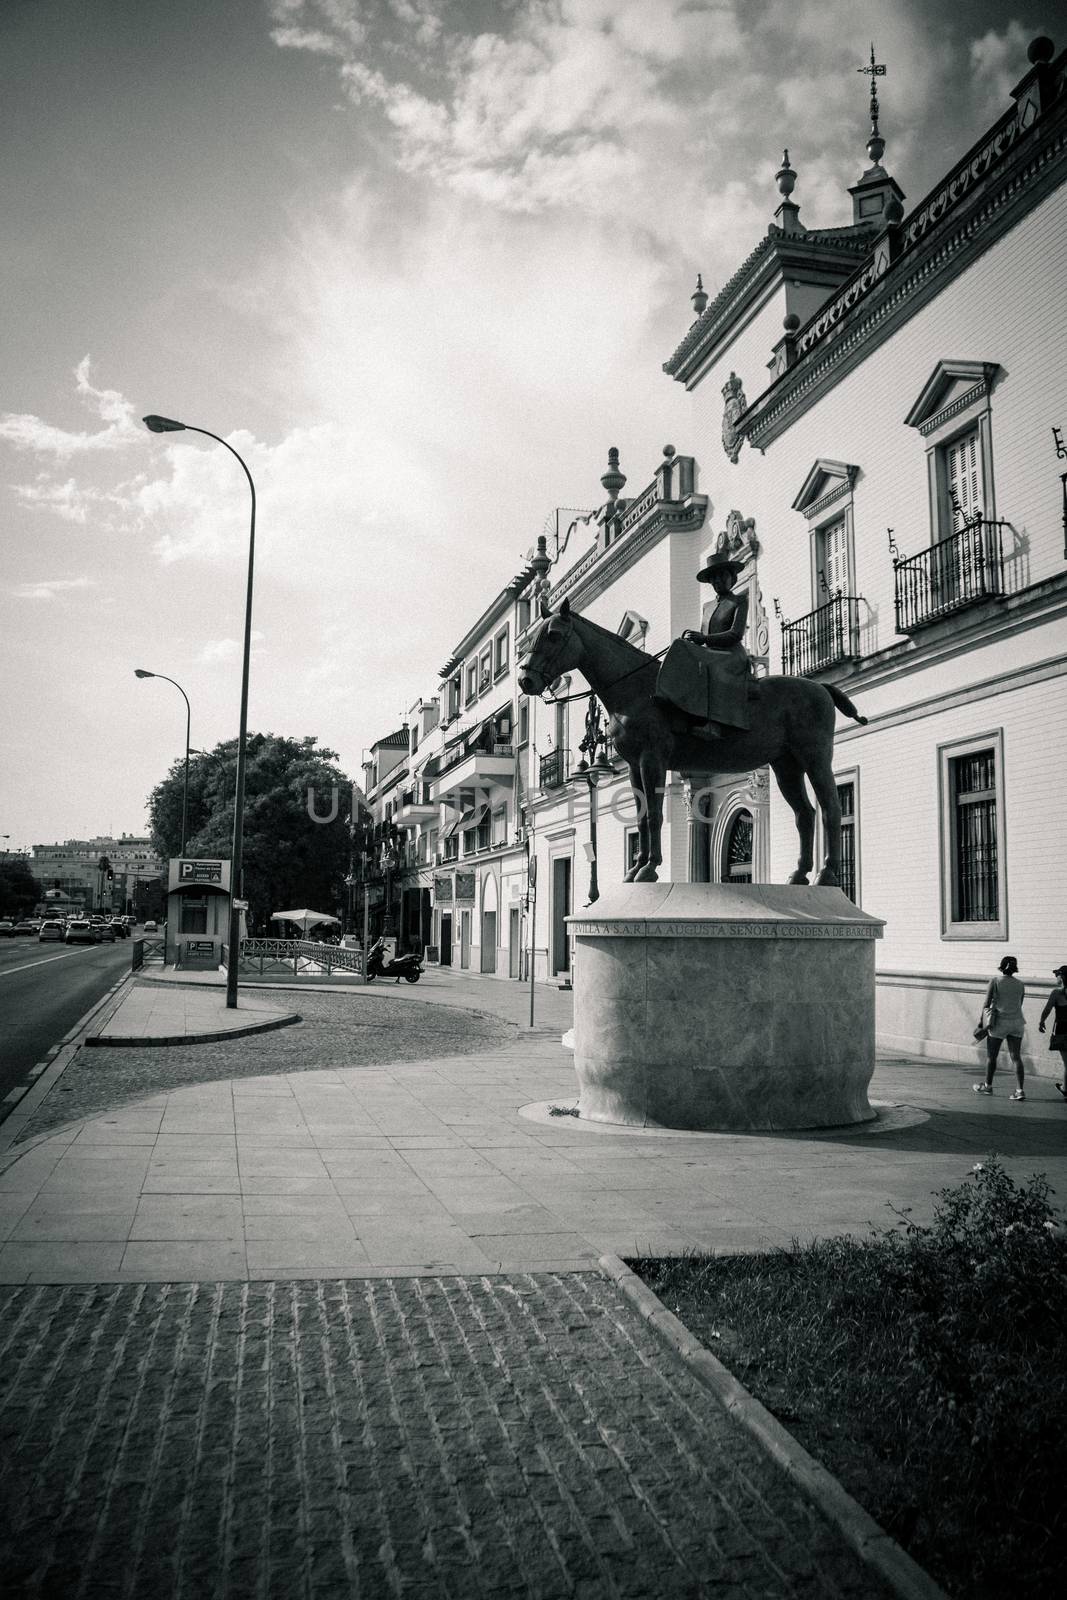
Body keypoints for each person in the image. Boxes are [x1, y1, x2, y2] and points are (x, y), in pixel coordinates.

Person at [656, 551, 751, 738]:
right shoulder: (707, 606)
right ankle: (672, 702)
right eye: (714, 578)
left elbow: (735, 634)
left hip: (731, 655)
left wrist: (704, 640)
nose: (718, 581)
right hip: (710, 652)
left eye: (722, 576)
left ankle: (715, 724)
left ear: (732, 577)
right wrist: (695, 642)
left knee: (710, 668)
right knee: (680, 648)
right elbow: (704, 634)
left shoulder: (739, 601)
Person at [973, 955, 1027, 1100]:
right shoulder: (1020, 984)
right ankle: (1020, 1091)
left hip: (998, 1024)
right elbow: (1019, 1004)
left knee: (992, 1056)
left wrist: (981, 1023)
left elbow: (986, 1003)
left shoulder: (995, 981)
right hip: (1017, 1022)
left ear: (1002, 966)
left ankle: (988, 1086)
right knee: (1016, 1057)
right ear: (1015, 968)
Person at [1038, 964, 1067, 1099]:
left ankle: (1066, 1089)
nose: (1055, 977)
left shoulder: (1056, 993)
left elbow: (1047, 1009)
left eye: (1057, 975)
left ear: (1061, 977)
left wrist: (1041, 1021)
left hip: (1061, 1029)